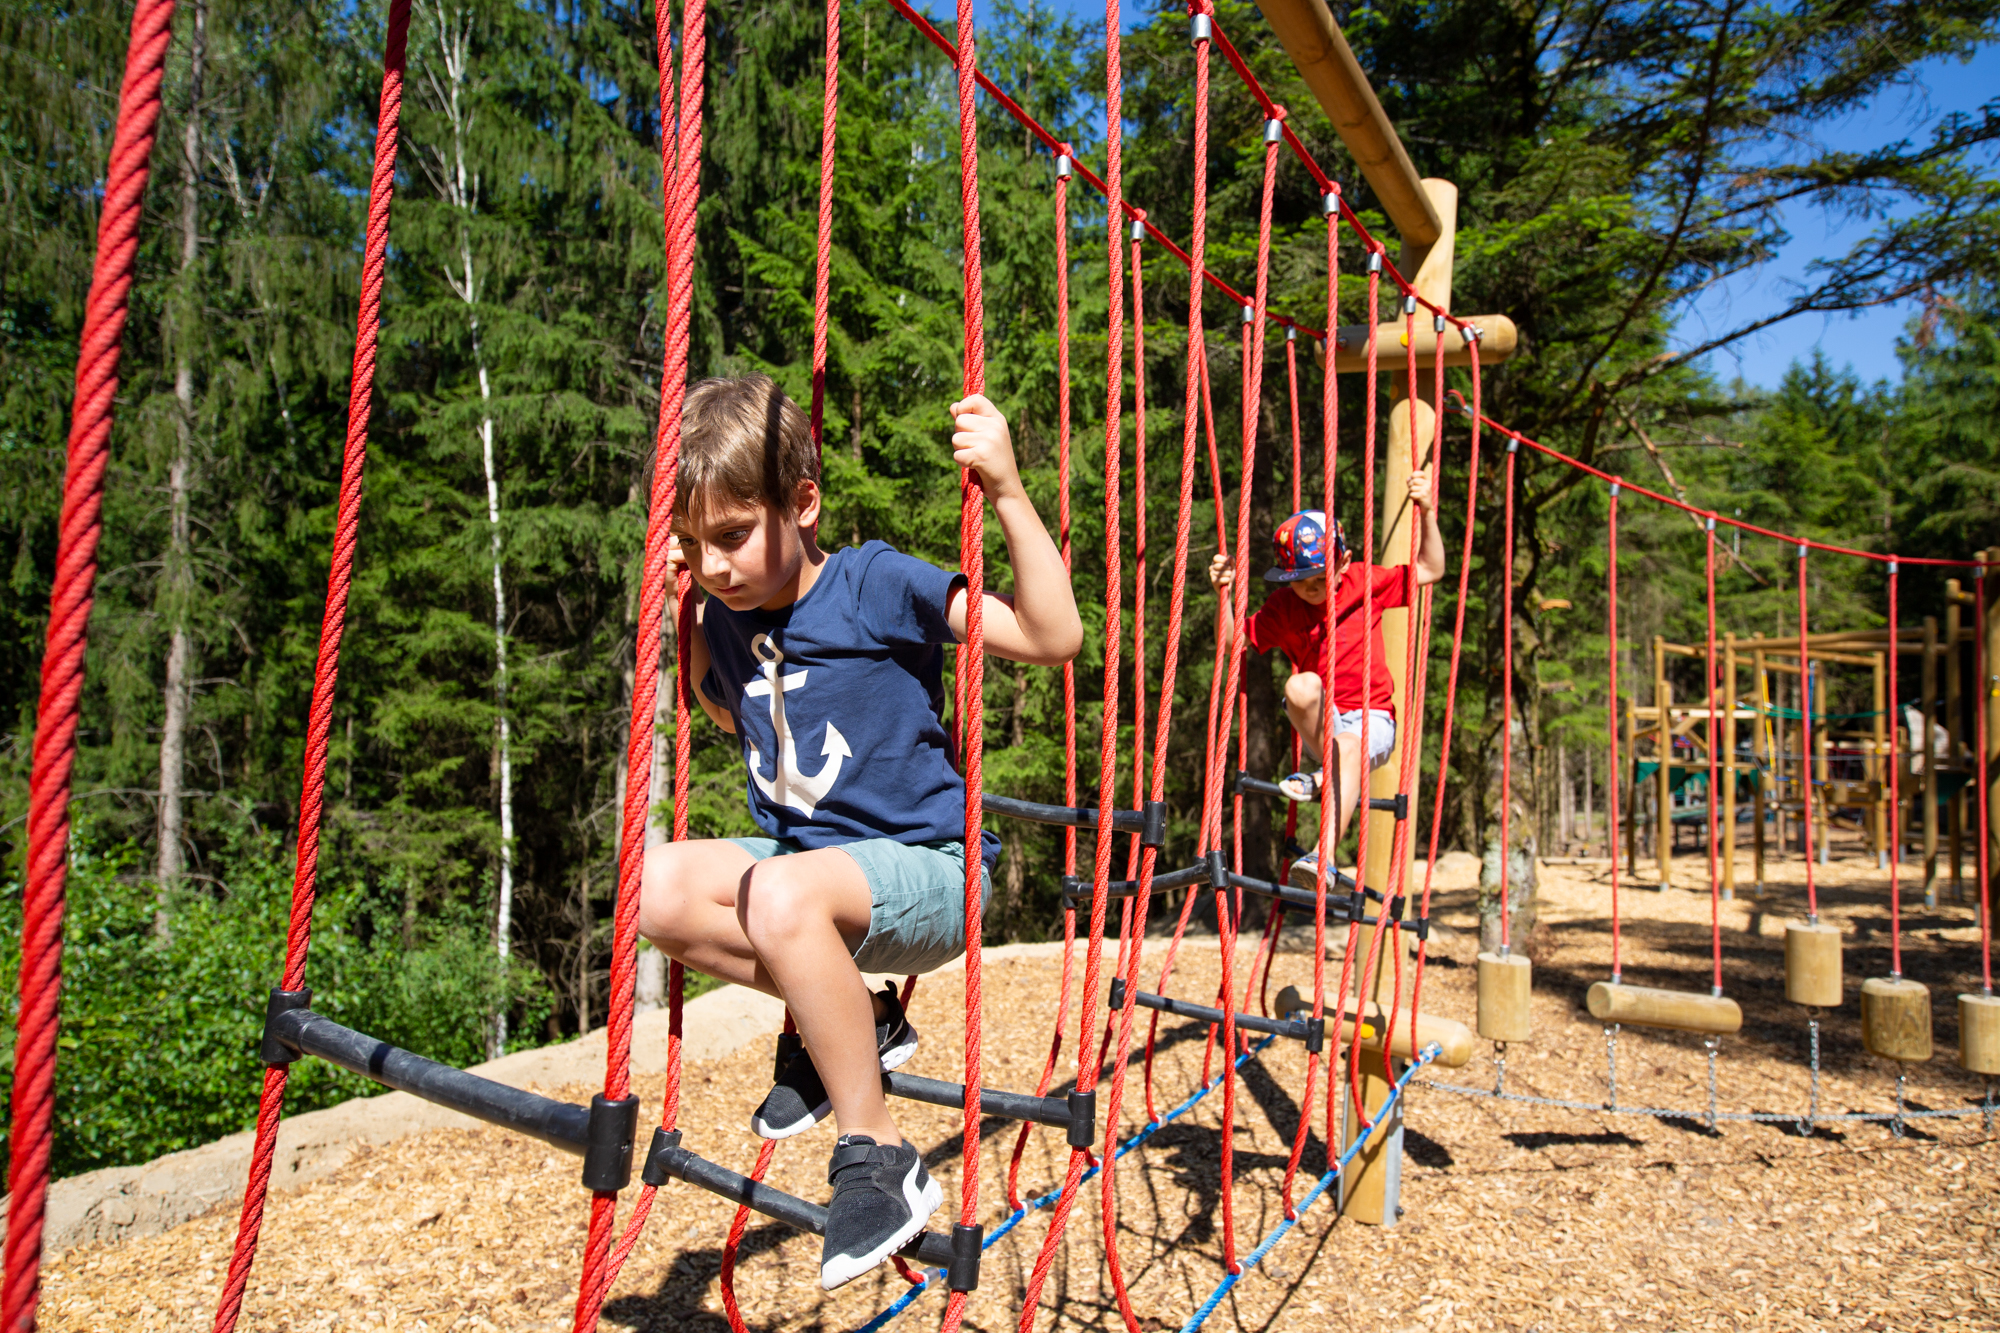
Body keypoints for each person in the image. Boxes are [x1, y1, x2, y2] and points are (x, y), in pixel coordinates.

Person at [638, 374, 1081, 1290]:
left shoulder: (871, 583)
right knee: (651, 887)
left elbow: (1052, 633)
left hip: (936, 872)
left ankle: (880, 1154)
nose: (715, 565)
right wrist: (688, 615)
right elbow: (729, 715)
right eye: (693, 545)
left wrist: (1005, 487)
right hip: (808, 877)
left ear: (802, 504)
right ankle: (855, 1015)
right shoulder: (724, 614)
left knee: (782, 892)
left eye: (730, 536)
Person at [1208, 468, 1445, 888]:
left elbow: (1430, 569)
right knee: (1300, 685)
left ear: (1344, 563)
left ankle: (1324, 857)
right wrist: (1222, 595)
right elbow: (1233, 642)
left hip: (1374, 720)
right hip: (1325, 721)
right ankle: (1322, 775)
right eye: (1301, 582)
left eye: (1321, 578)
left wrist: (1426, 509)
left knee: (1351, 747)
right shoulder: (1284, 606)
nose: (1312, 589)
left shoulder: (1365, 583)